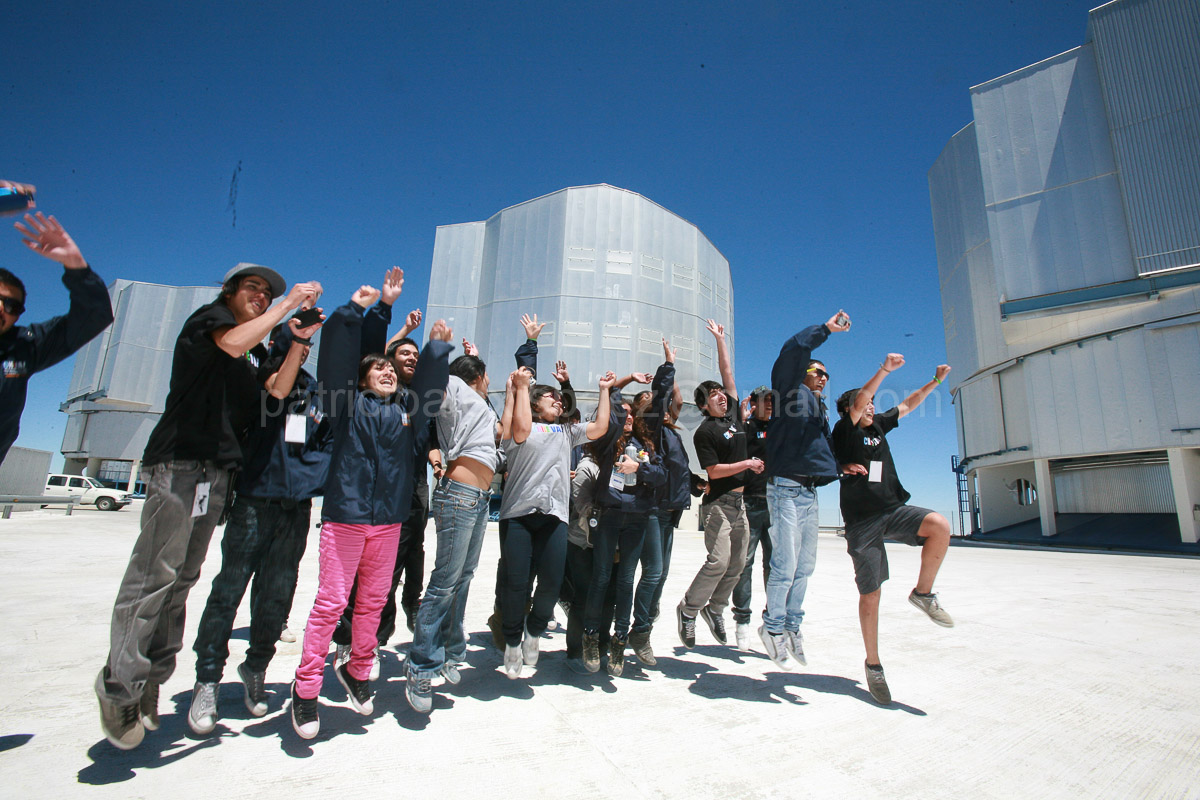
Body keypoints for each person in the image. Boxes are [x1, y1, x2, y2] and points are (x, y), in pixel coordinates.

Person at [94, 263, 320, 750]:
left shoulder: (251, 354)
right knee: (153, 575)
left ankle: (151, 679)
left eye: (268, 292)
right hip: (180, 465)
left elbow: (277, 391)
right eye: (253, 288)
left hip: (217, 475)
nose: (261, 295)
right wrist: (285, 305)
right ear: (230, 292)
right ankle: (119, 685)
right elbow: (233, 342)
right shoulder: (209, 321)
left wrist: (300, 339)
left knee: (183, 579)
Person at [290, 282, 452, 739]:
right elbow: (338, 361)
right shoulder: (345, 404)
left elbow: (430, 396)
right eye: (377, 366)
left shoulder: (407, 410)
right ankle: (304, 690)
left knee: (372, 604)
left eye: (390, 368)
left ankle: (358, 671)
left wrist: (437, 350)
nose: (386, 371)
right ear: (362, 378)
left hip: (388, 524)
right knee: (331, 604)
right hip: (345, 519)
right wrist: (353, 312)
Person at [186, 310, 328, 734]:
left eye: (307, 345)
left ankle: (256, 669)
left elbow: (324, 442)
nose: (304, 350)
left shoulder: (316, 391)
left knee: (277, 594)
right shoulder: (262, 373)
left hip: (295, 507)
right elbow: (278, 389)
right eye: (297, 341)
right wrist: (295, 341)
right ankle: (207, 680)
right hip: (254, 499)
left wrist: (312, 480)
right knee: (229, 588)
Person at [404, 325, 535, 713]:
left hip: (479, 498)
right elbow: (428, 387)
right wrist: (437, 348)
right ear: (476, 376)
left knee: (462, 577)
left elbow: (504, 432)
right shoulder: (456, 390)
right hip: (458, 494)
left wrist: (513, 392)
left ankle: (447, 650)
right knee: (444, 582)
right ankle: (420, 665)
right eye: (487, 376)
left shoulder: (482, 406)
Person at [832, 354, 954, 705]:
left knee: (939, 525)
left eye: (872, 404)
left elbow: (908, 404)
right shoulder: (846, 429)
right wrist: (884, 370)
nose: (871, 407)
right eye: (866, 403)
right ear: (851, 408)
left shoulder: (879, 426)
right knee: (871, 595)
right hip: (862, 522)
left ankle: (924, 593)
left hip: (893, 509)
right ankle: (873, 665)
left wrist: (936, 381)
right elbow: (858, 403)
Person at [330, 288, 426, 677]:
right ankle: (350, 640)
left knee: (402, 563)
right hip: (368, 499)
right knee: (366, 576)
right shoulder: (374, 395)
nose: (408, 361)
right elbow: (373, 359)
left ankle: (376, 639)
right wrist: (398, 324)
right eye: (404, 355)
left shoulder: (416, 397)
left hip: (411, 489)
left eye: (414, 357)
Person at [497, 365, 613, 678]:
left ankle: (533, 633)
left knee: (550, 583)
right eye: (551, 397)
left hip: (555, 516)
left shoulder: (565, 431)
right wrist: (521, 387)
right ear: (534, 402)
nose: (559, 401)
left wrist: (604, 390)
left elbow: (600, 427)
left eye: (560, 399)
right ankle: (511, 642)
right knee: (516, 584)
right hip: (518, 516)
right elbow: (520, 431)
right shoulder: (516, 428)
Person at [760, 311, 850, 671]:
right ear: (804, 372)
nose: (824, 378)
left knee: (805, 567)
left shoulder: (819, 408)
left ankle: (793, 627)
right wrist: (825, 330)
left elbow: (823, 445)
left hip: (810, 492)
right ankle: (772, 629)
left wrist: (838, 466)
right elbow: (792, 349)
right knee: (785, 564)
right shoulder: (787, 389)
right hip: (784, 488)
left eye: (827, 375)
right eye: (818, 372)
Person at [677, 320, 763, 651]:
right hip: (718, 506)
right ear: (703, 406)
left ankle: (715, 609)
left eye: (721, 394)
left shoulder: (735, 419)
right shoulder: (705, 433)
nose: (721, 397)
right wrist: (746, 464)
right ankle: (688, 609)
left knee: (738, 563)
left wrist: (719, 341)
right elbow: (713, 472)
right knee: (718, 560)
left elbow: (728, 373)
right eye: (713, 396)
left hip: (740, 505)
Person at [2, 207, 113, 463]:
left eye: (11, 305)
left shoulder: (24, 347)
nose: (1, 308)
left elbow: (93, 317)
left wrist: (76, 265)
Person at [582, 374, 664, 677]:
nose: (628, 416)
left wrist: (638, 468)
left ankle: (619, 640)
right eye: (623, 413)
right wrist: (622, 383)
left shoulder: (645, 444)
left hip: (638, 517)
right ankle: (590, 636)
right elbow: (613, 396)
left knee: (626, 579)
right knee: (601, 577)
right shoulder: (607, 442)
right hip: (611, 515)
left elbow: (661, 475)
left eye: (632, 413)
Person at [731, 385, 773, 650]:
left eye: (772, 401)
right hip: (750, 502)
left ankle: (771, 623)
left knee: (776, 566)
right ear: (754, 404)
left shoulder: (783, 429)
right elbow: (732, 452)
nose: (769, 405)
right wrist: (742, 422)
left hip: (778, 505)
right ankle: (742, 621)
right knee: (744, 563)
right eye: (764, 401)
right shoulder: (745, 429)